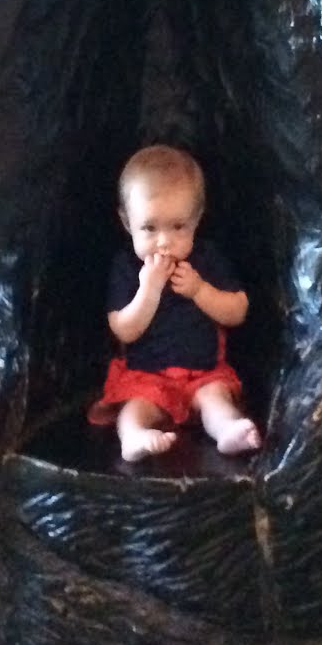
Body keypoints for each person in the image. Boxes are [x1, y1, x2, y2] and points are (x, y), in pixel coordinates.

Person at [92, 145, 262, 463]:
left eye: (178, 227)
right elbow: (123, 330)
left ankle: (228, 430)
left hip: (203, 373)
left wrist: (200, 290)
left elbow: (237, 311)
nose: (164, 241)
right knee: (135, 407)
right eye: (149, 228)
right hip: (147, 376)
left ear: (196, 220)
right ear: (127, 222)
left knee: (216, 399)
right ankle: (133, 437)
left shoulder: (207, 259)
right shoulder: (127, 267)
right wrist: (149, 289)